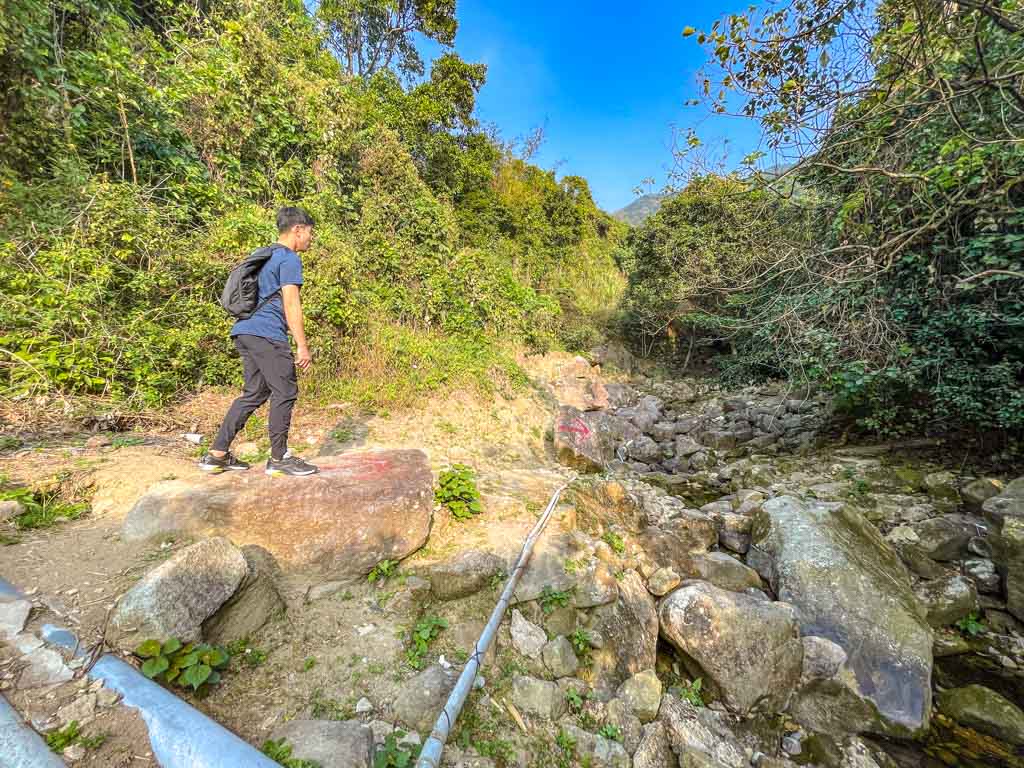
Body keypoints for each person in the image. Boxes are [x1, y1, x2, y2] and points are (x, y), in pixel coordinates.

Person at [199, 207, 319, 476]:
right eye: (310, 232)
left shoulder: (262, 255)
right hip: (267, 333)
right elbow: (291, 304)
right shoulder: (288, 258)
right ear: (297, 230)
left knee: (254, 393)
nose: (311, 238)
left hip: (245, 330)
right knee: (285, 392)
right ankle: (279, 458)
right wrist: (302, 345)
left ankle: (217, 455)